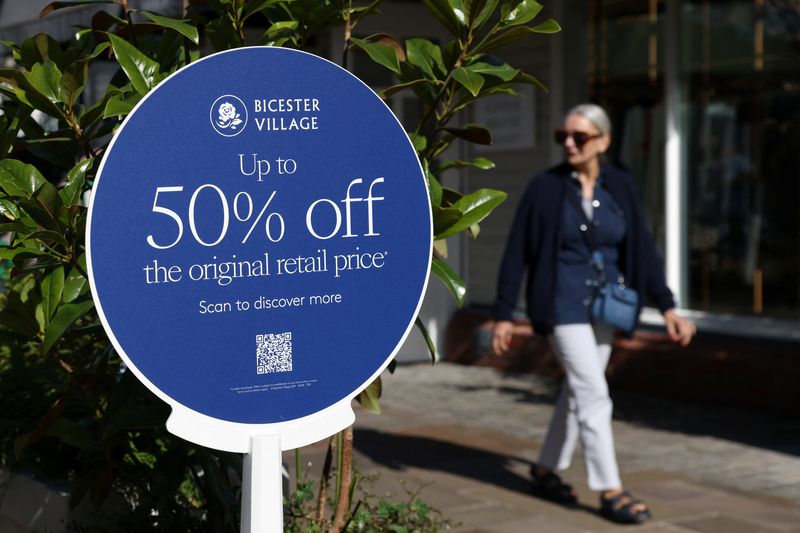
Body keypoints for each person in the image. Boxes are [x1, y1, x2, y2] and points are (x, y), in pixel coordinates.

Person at [491, 103, 696, 524]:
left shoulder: (620, 186)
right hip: (561, 304)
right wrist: (503, 313)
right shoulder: (544, 188)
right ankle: (609, 489)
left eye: (579, 137)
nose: (568, 143)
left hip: (607, 306)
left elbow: (642, 248)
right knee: (593, 394)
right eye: (562, 136)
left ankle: (545, 469)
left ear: (603, 141)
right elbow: (518, 253)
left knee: (578, 393)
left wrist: (668, 304)